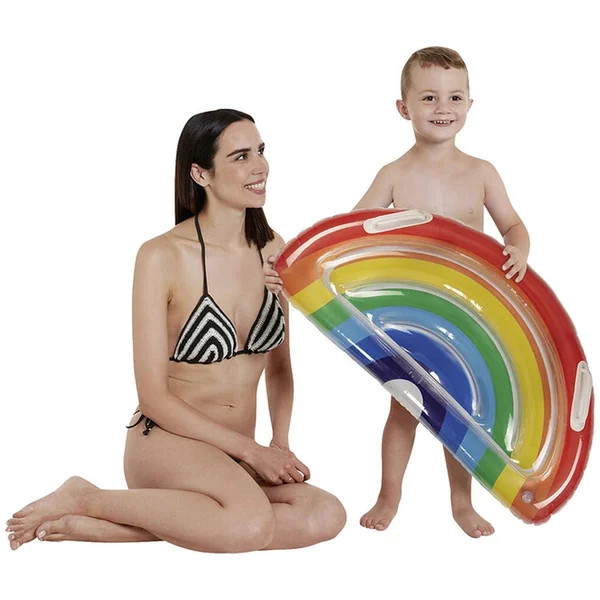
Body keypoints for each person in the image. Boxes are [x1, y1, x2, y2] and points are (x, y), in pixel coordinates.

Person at [6, 109, 346, 552]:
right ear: (200, 174)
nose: (260, 166)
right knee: (249, 523)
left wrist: (277, 443)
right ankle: (88, 496)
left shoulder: (273, 249)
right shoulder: (160, 256)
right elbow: (153, 396)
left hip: (235, 457)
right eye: (241, 156)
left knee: (325, 514)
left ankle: (117, 524)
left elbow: (280, 368)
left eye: (261, 151)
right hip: (169, 444)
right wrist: (251, 452)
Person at [263, 47, 530, 538]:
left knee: (461, 411)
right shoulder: (395, 174)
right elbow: (345, 234)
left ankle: (461, 502)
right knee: (405, 403)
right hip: (408, 313)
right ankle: (389, 496)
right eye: (429, 98)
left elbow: (513, 224)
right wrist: (294, 267)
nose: (443, 107)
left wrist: (518, 249)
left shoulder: (482, 172)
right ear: (404, 108)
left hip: (466, 309)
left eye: (454, 97)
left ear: (470, 105)